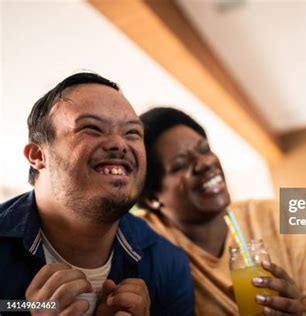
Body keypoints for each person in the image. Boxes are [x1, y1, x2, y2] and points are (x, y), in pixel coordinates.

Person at [0, 73, 193, 315]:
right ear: (38, 155)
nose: (119, 144)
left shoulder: (168, 264)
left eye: (132, 133)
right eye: (91, 128)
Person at [134, 107, 306, 315]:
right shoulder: (146, 241)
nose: (205, 163)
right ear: (152, 198)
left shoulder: (274, 216)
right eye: (180, 164)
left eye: (205, 150)